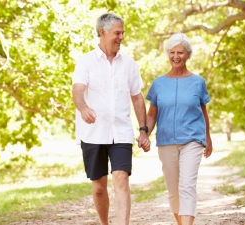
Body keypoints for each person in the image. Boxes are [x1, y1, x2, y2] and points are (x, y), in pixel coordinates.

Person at [72, 12, 150, 225]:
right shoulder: (85, 61)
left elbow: (136, 97)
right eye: (117, 33)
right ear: (102, 32)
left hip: (121, 132)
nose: (121, 37)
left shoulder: (129, 64)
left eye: (123, 33)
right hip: (93, 133)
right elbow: (77, 90)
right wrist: (83, 107)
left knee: (122, 179)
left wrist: (143, 129)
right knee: (98, 187)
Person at [145, 32, 213, 225]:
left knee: (187, 186)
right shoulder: (159, 83)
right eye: (172, 52)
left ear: (188, 55)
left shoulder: (198, 82)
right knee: (173, 190)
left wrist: (208, 137)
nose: (176, 56)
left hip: (192, 140)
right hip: (166, 141)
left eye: (181, 53)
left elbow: (203, 112)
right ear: (168, 54)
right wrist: (145, 134)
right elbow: (152, 114)